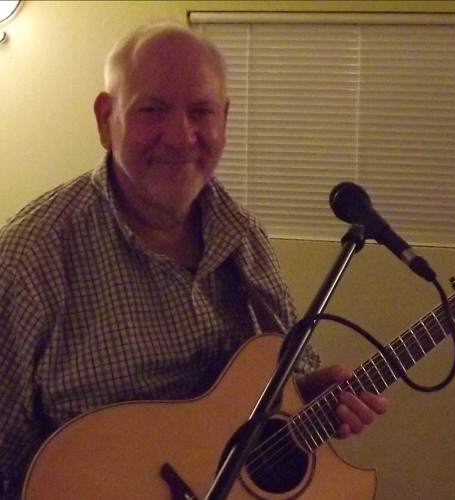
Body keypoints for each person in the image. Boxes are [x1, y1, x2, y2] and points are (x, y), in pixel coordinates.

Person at [0, 21, 388, 498]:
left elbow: (283, 385)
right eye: (153, 110)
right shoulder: (31, 260)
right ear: (105, 119)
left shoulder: (243, 236)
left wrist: (312, 395)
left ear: (224, 120)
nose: (181, 137)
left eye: (201, 111)